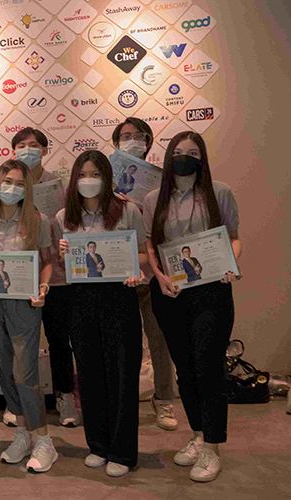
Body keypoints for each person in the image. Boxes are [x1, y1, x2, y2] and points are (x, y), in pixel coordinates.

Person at [144, 131, 241, 483]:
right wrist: (158, 276)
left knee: (207, 366)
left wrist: (231, 263)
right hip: (170, 294)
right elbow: (151, 245)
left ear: (203, 158)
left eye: (194, 152)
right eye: (179, 151)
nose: (186, 157)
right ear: (169, 155)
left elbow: (233, 237)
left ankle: (213, 446)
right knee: (184, 369)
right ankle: (198, 434)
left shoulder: (219, 192)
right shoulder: (153, 198)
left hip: (211, 292)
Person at [56, 150, 147, 477]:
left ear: (107, 178)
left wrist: (136, 270)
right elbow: (63, 267)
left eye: (95, 174)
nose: (88, 180)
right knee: (89, 373)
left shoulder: (127, 210)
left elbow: (143, 254)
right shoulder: (64, 217)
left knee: (121, 373)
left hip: (119, 297)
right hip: (81, 299)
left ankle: (122, 451)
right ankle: (98, 445)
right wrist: (63, 254)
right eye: (82, 175)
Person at [0, 159, 57, 473]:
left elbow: (47, 261)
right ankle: (22, 433)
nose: (12, 188)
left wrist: (43, 287)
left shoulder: (37, 219)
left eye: (20, 184)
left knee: (25, 373)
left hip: (25, 305)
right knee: (5, 371)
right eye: (8, 181)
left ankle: (43, 439)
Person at [111, 117, 179, 432]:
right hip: (118, 274)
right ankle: (120, 401)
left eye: (138, 136)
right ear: (116, 144)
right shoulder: (104, 180)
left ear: (148, 141)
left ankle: (164, 399)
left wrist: (144, 208)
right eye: (125, 136)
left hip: (153, 272)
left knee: (160, 337)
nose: (132, 141)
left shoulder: (162, 181)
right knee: (122, 342)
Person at [7, 127, 79, 429]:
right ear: (13, 151)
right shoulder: (8, 186)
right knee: (19, 345)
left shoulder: (59, 186)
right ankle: (18, 403)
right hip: (19, 278)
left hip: (56, 277)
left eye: (34, 145)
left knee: (60, 341)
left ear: (45, 150)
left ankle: (65, 396)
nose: (28, 149)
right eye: (22, 145)